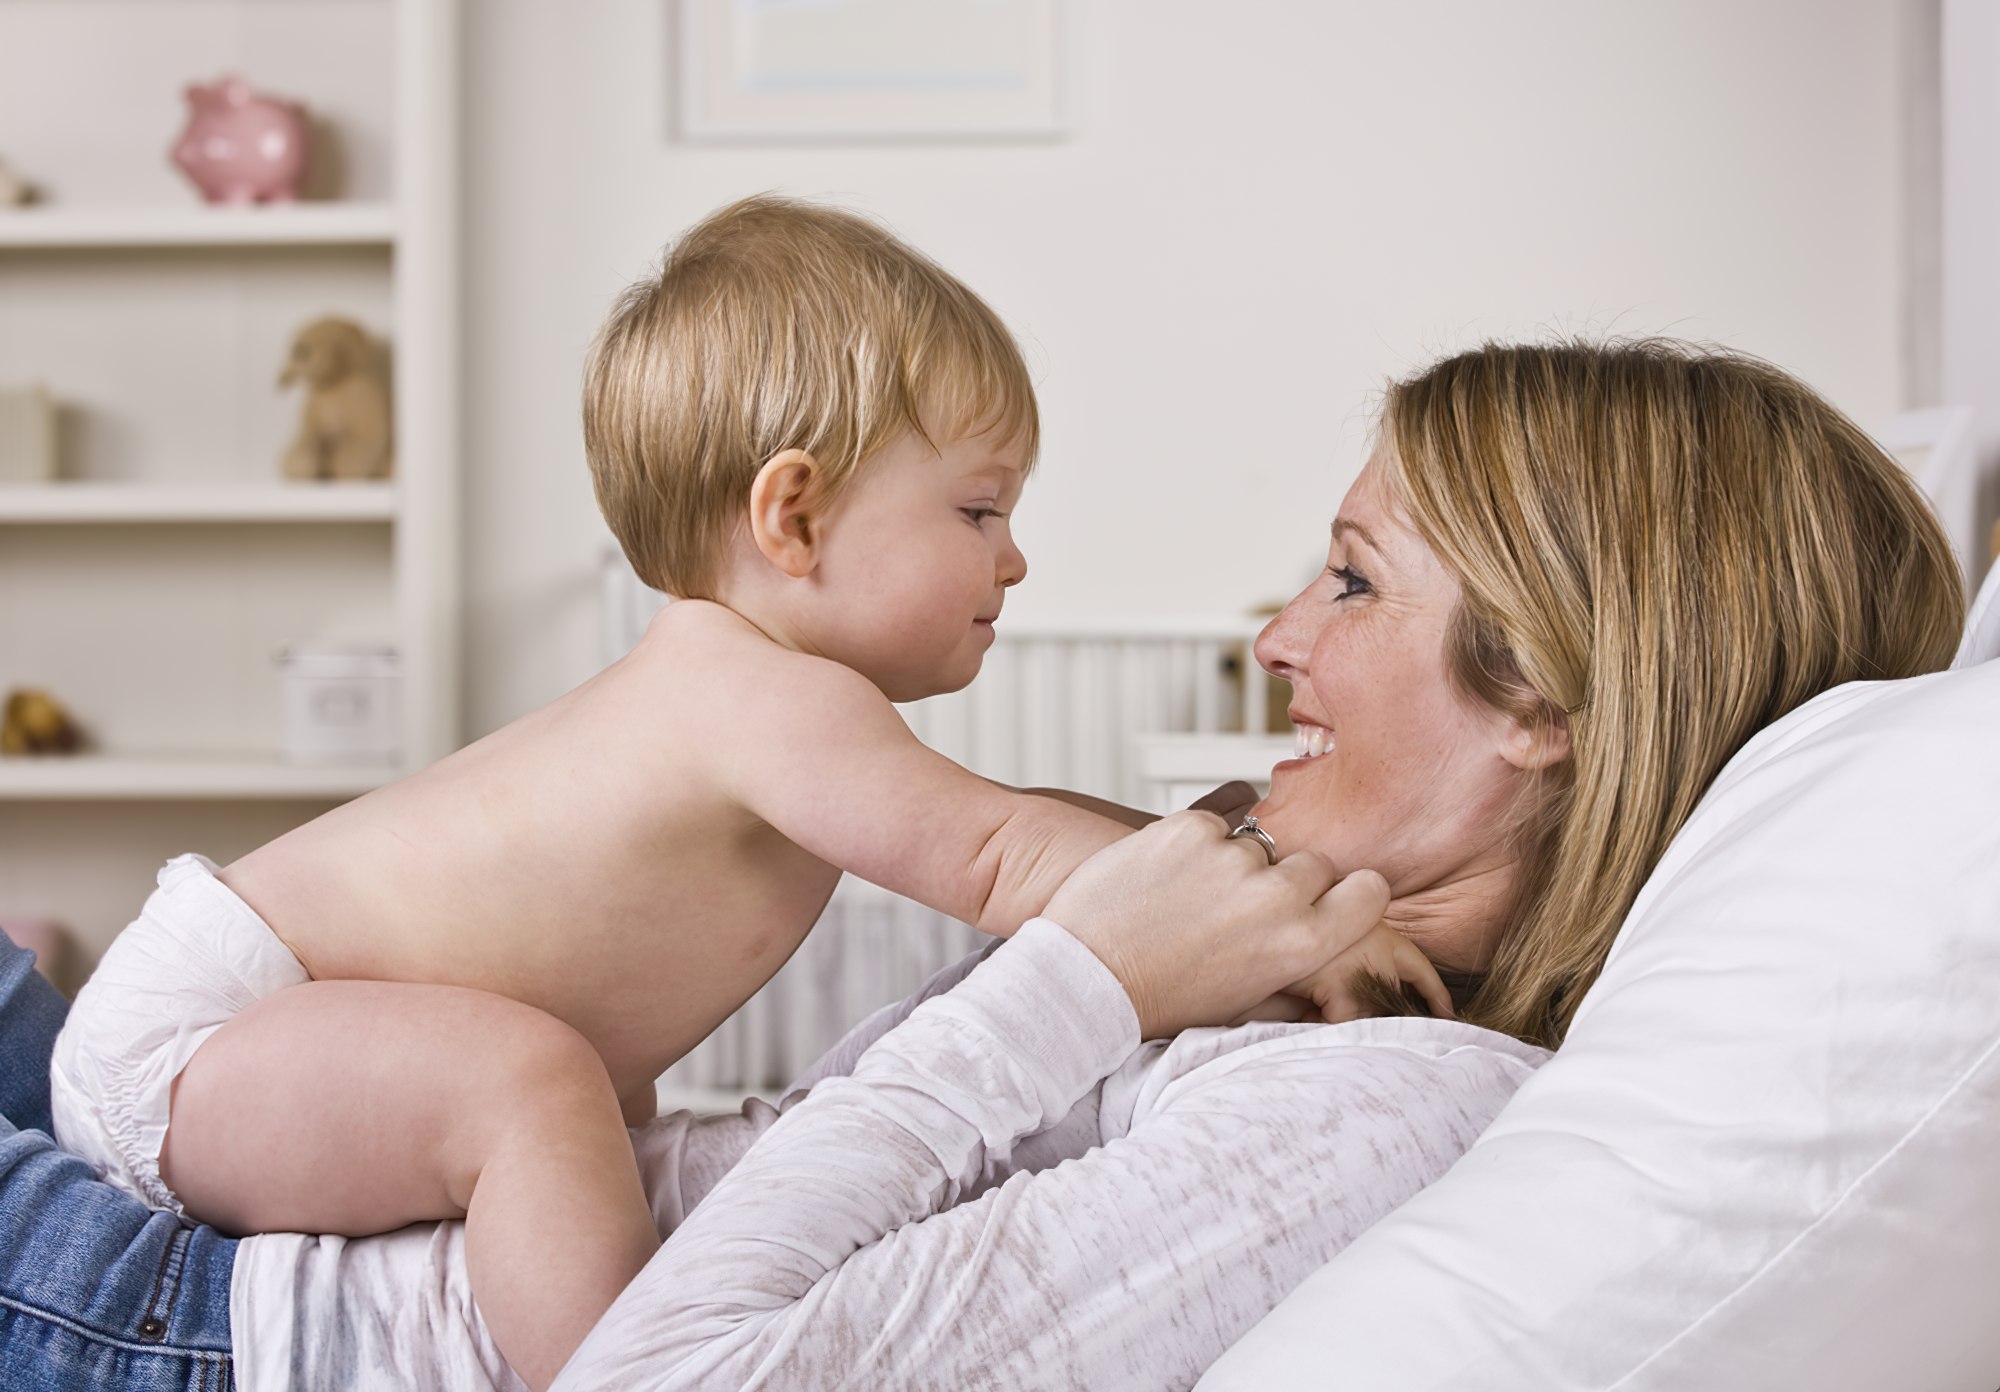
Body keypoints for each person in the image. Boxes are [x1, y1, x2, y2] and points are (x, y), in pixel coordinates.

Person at [14, 336, 1962, 1390]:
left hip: (195, 1320)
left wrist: (1079, 980)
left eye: (1351, 581)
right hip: (233, 1233)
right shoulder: (1310, 977)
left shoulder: (1389, 1109)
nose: (1274, 640)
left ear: (1544, 693)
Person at [46, 196, 1439, 1391]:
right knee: (531, 1087)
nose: (1012, 562)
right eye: (977, 511)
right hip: (205, 1028)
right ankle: (619, 1366)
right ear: (794, 516)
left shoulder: (780, 709)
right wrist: (1290, 905)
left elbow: (1010, 820)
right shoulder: (749, 692)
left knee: (570, 1097)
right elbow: (1006, 858)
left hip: (258, 1038)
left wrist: (1210, 847)